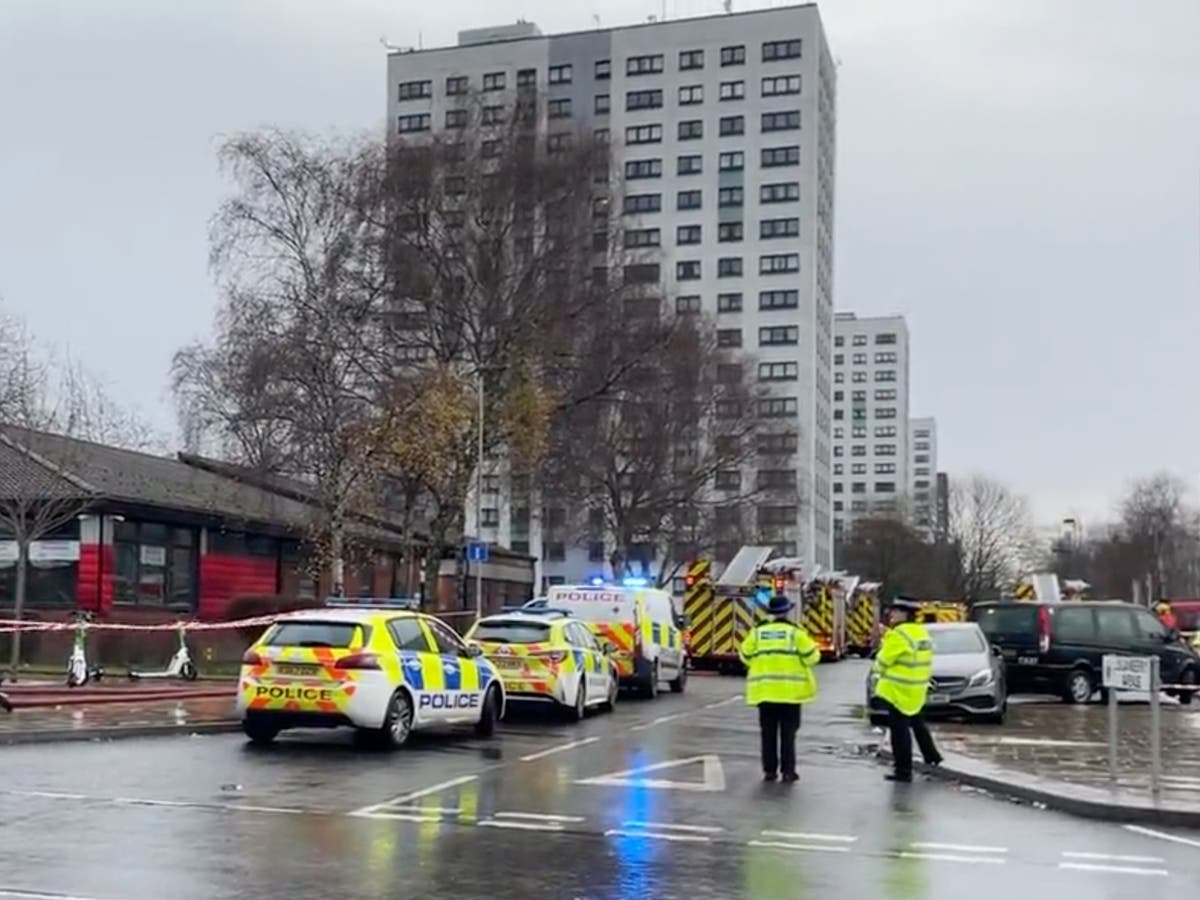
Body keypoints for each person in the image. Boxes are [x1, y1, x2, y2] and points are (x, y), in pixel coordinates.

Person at [739, 593, 820, 783]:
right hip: (790, 694)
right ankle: (788, 771)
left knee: (768, 733)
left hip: (765, 692)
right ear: (787, 612)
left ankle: (769, 771)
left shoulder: (758, 633)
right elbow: (812, 657)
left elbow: (744, 655)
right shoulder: (796, 633)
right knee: (788, 734)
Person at [872, 597, 943, 783]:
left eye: (895, 611)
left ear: (905, 614)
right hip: (917, 687)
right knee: (918, 723)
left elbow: (882, 663)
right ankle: (932, 756)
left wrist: (882, 648)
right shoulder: (920, 632)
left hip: (898, 690)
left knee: (899, 732)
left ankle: (903, 771)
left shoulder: (898, 635)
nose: (891, 614)